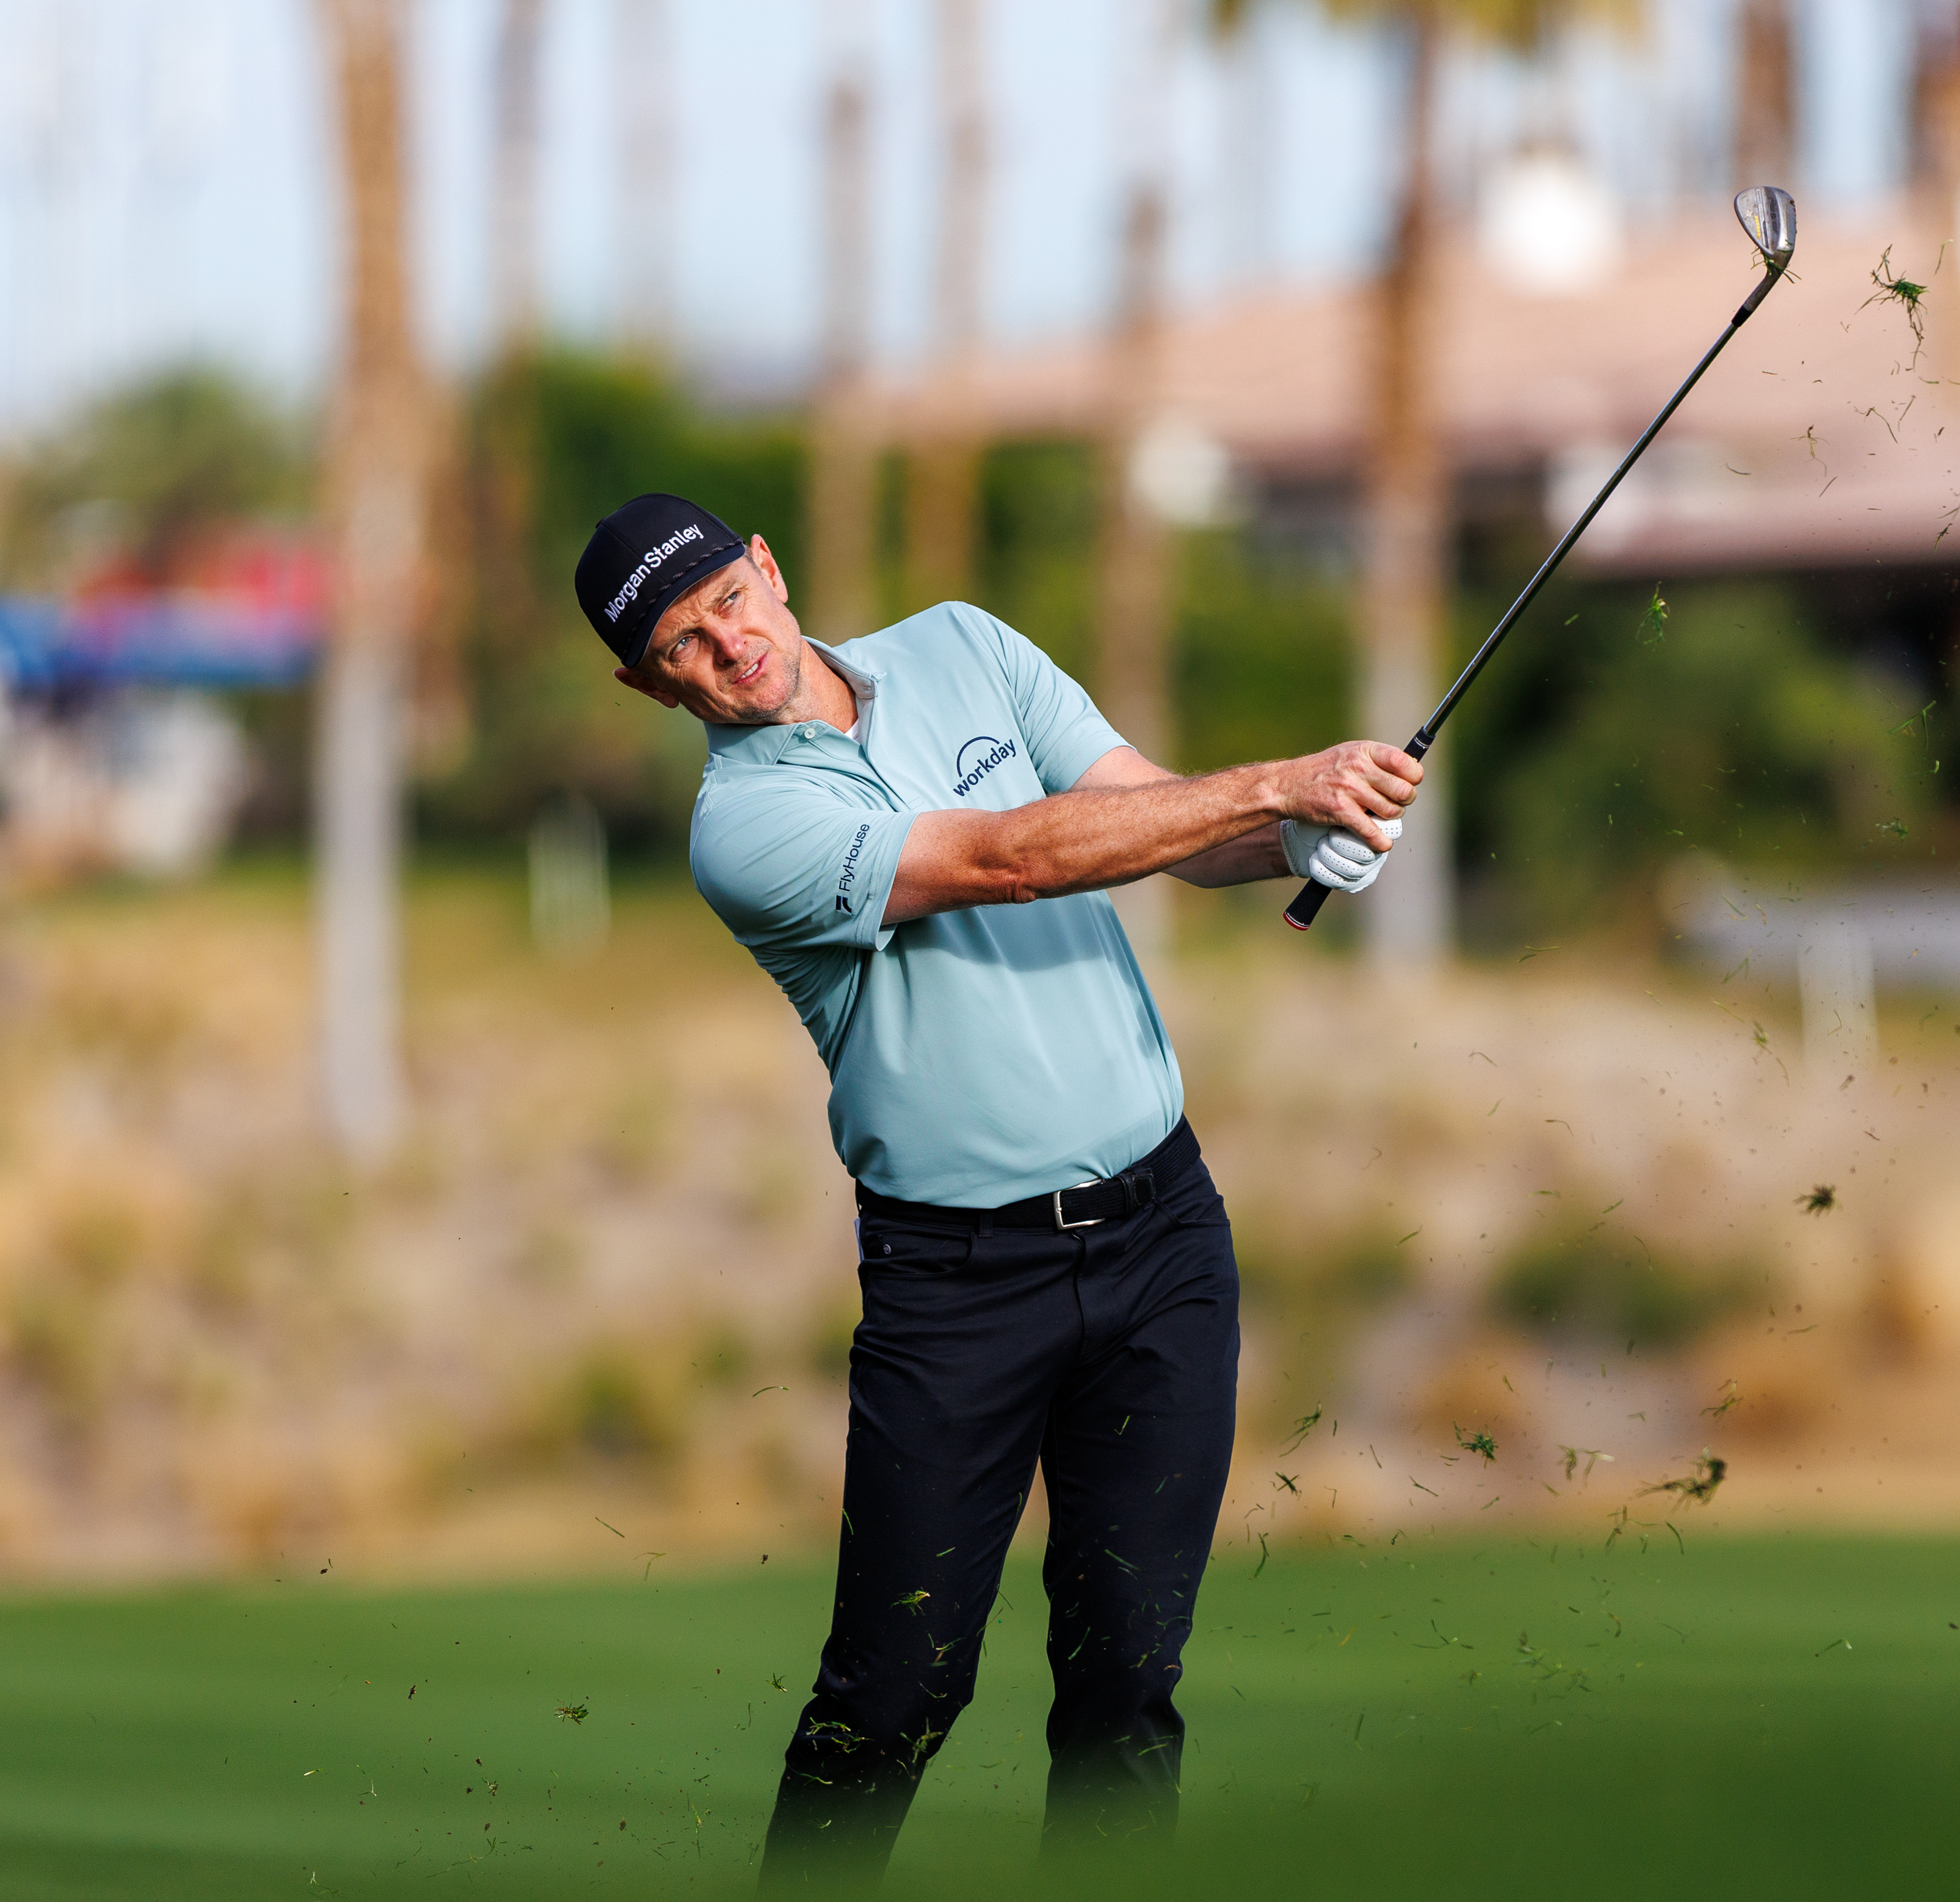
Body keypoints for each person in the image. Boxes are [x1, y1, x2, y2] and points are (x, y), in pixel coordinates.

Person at [572, 495, 1421, 1889]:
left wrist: (1287, 841)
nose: (730, 646)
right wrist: (1282, 781)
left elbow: (1148, 817)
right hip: (958, 1288)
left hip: (1165, 1241)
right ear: (646, 678)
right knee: (893, 1693)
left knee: (1126, 1684)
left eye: (730, 598)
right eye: (682, 642)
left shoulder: (962, 644)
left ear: (769, 569)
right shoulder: (747, 825)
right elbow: (1006, 860)